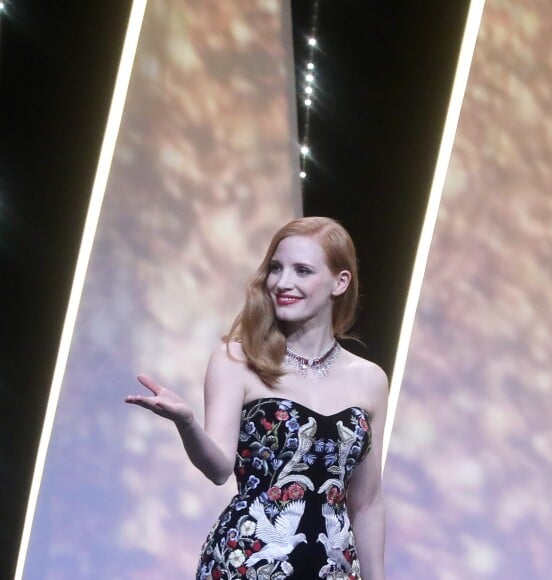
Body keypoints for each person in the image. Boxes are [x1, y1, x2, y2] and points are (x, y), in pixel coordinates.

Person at [125, 216, 388, 579]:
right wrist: (187, 423)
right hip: (247, 564)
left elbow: (367, 503)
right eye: (276, 269)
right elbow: (218, 468)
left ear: (339, 282)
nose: (283, 282)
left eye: (302, 271)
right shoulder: (237, 359)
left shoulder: (370, 379)